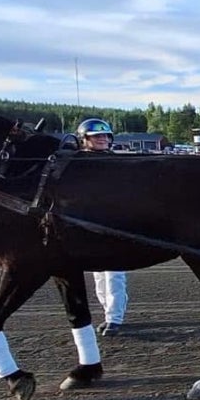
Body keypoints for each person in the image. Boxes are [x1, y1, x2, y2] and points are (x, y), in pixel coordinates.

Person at [77, 118, 128, 337]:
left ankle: (115, 318)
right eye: (97, 136)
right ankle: (108, 313)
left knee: (114, 275)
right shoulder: (77, 164)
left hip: (114, 225)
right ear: (84, 140)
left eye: (105, 136)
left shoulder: (116, 164)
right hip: (89, 226)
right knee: (98, 275)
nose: (103, 140)